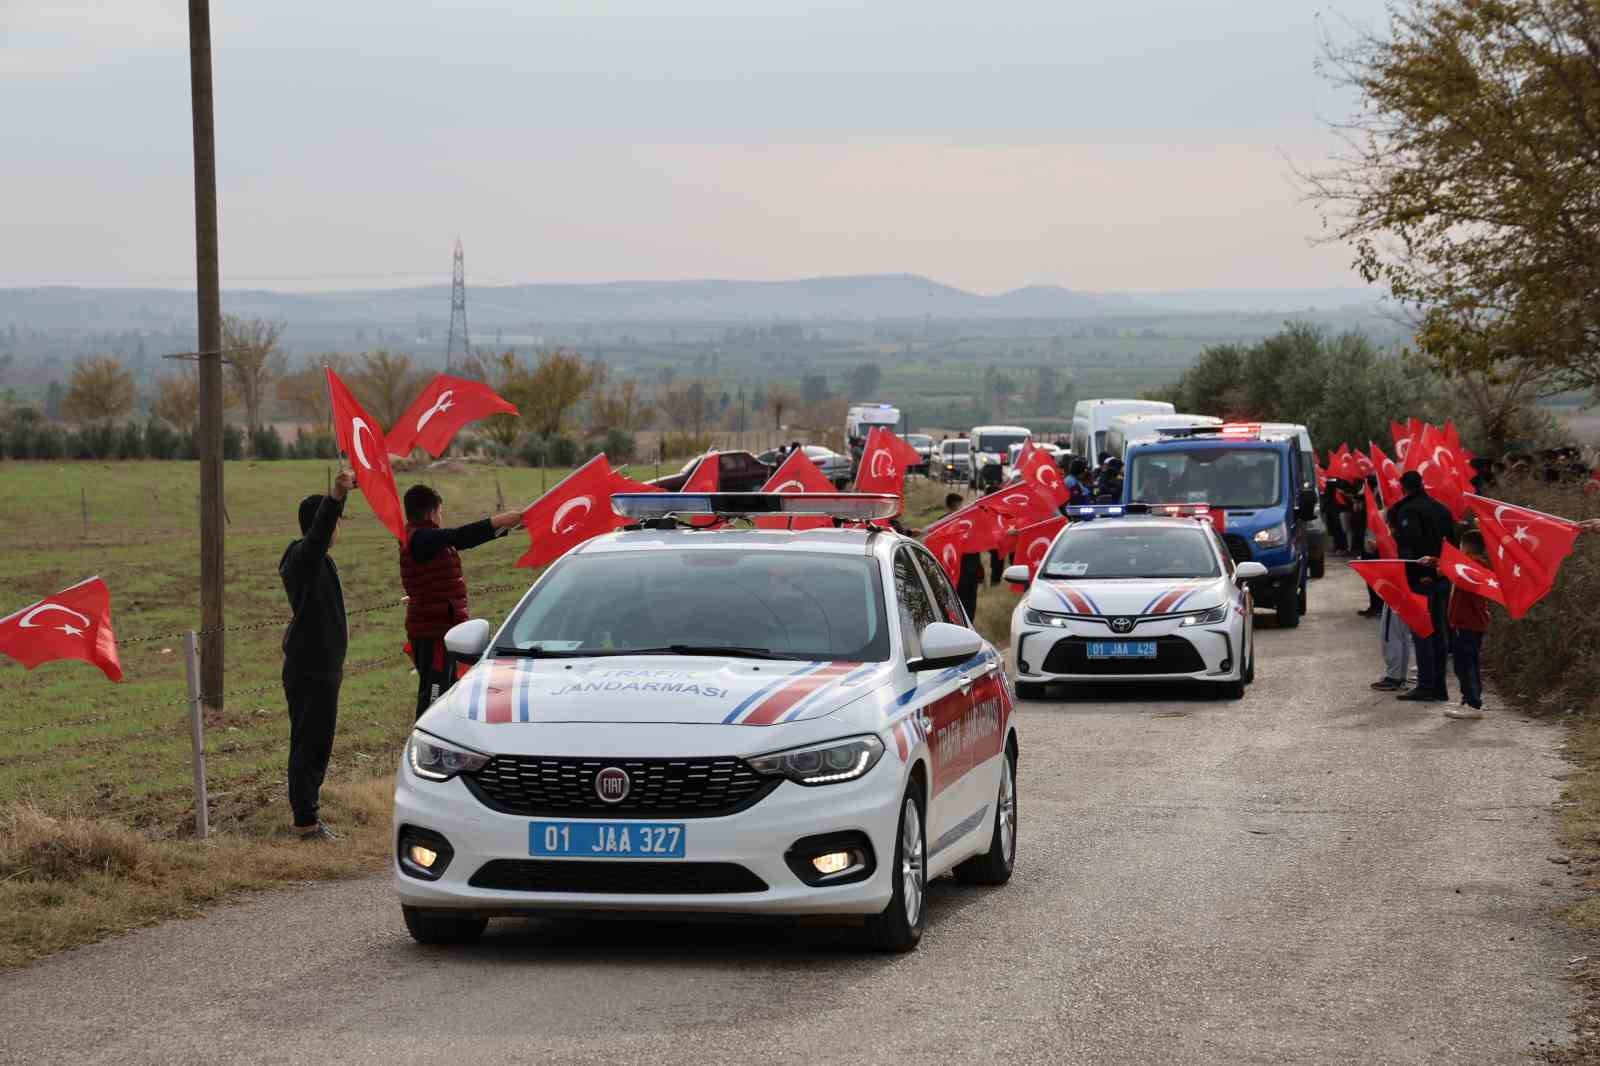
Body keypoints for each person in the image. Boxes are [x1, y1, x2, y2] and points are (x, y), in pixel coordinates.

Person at [400, 485, 524, 719]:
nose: (441, 517)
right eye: (440, 512)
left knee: (449, 692)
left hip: (441, 626)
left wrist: (507, 527)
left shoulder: (425, 538)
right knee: (433, 699)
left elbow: (461, 541)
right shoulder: (421, 537)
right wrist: (496, 521)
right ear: (431, 513)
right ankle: (425, 744)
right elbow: (459, 536)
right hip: (434, 632)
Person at [279, 469, 355, 842]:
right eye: (337, 523)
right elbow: (318, 535)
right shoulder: (302, 557)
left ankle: (309, 814)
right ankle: (305, 821)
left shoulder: (322, 561)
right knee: (308, 742)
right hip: (309, 669)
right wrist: (336, 497)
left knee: (318, 741)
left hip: (325, 668)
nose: (339, 529)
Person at [1388, 470, 1458, 703]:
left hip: (1423, 579)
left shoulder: (1408, 510)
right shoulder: (1441, 509)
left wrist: (1419, 576)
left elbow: (1411, 546)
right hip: (1442, 575)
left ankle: (1427, 685)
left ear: (1403, 487)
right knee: (1439, 631)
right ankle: (1439, 687)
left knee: (1423, 632)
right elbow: (1453, 544)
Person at [1440, 528, 1491, 719]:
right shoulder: (1468, 566)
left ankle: (1473, 703)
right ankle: (1467, 698)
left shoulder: (1475, 567)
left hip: (1469, 622)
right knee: (1465, 662)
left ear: (1466, 548)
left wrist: (1444, 565)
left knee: (1466, 663)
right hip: (1465, 622)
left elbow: (1460, 577)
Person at [945, 492, 983, 621]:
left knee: (964, 602)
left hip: (962, 570)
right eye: (959, 505)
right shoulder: (945, 523)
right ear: (953, 506)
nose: (962, 507)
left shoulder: (965, 521)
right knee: (965, 602)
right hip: (961, 570)